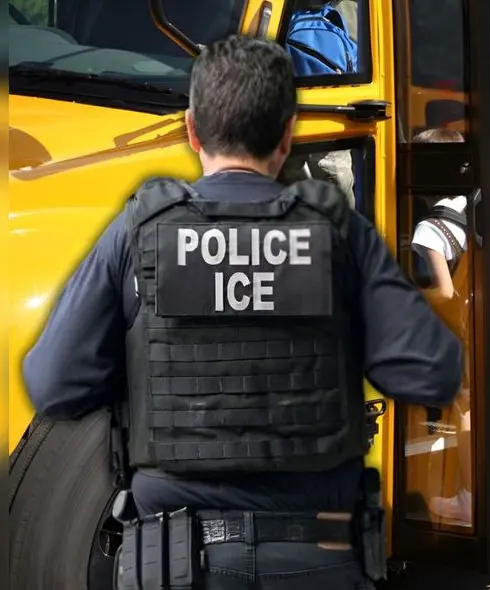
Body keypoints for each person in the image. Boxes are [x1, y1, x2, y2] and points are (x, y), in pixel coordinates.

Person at [21, 35, 463, 590]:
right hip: (317, 561)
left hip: (175, 564)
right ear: (287, 136)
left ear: (191, 130)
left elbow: (53, 382)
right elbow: (432, 371)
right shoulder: (337, 234)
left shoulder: (139, 232)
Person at [409, 128, 490, 522]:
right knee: (473, 398)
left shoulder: (429, 228)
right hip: (489, 322)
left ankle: (469, 499)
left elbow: (445, 292)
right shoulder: (472, 203)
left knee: (465, 409)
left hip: (459, 330)